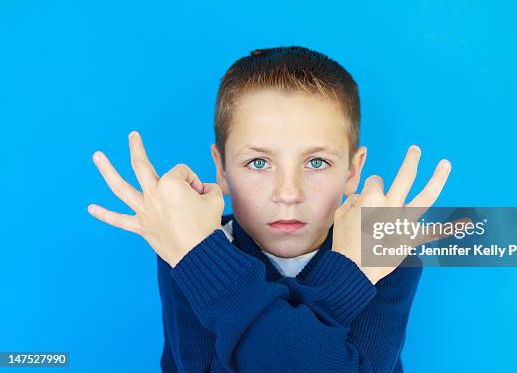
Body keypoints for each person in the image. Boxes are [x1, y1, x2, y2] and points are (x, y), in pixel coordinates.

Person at [88, 46, 453, 372]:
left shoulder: (390, 254)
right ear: (222, 170)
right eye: (259, 163)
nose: (288, 193)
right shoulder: (185, 245)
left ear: (352, 172)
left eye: (317, 163)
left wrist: (202, 263)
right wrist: (349, 279)